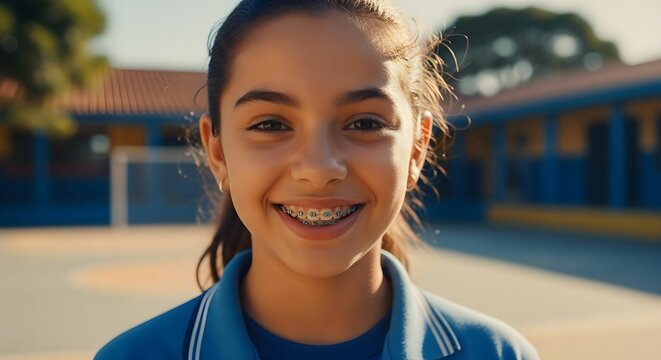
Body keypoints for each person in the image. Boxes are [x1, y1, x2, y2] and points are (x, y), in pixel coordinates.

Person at [96, 0, 539, 359]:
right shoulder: (133, 356)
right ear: (218, 151)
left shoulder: (499, 353)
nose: (319, 167)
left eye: (365, 123)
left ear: (418, 148)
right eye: (270, 124)